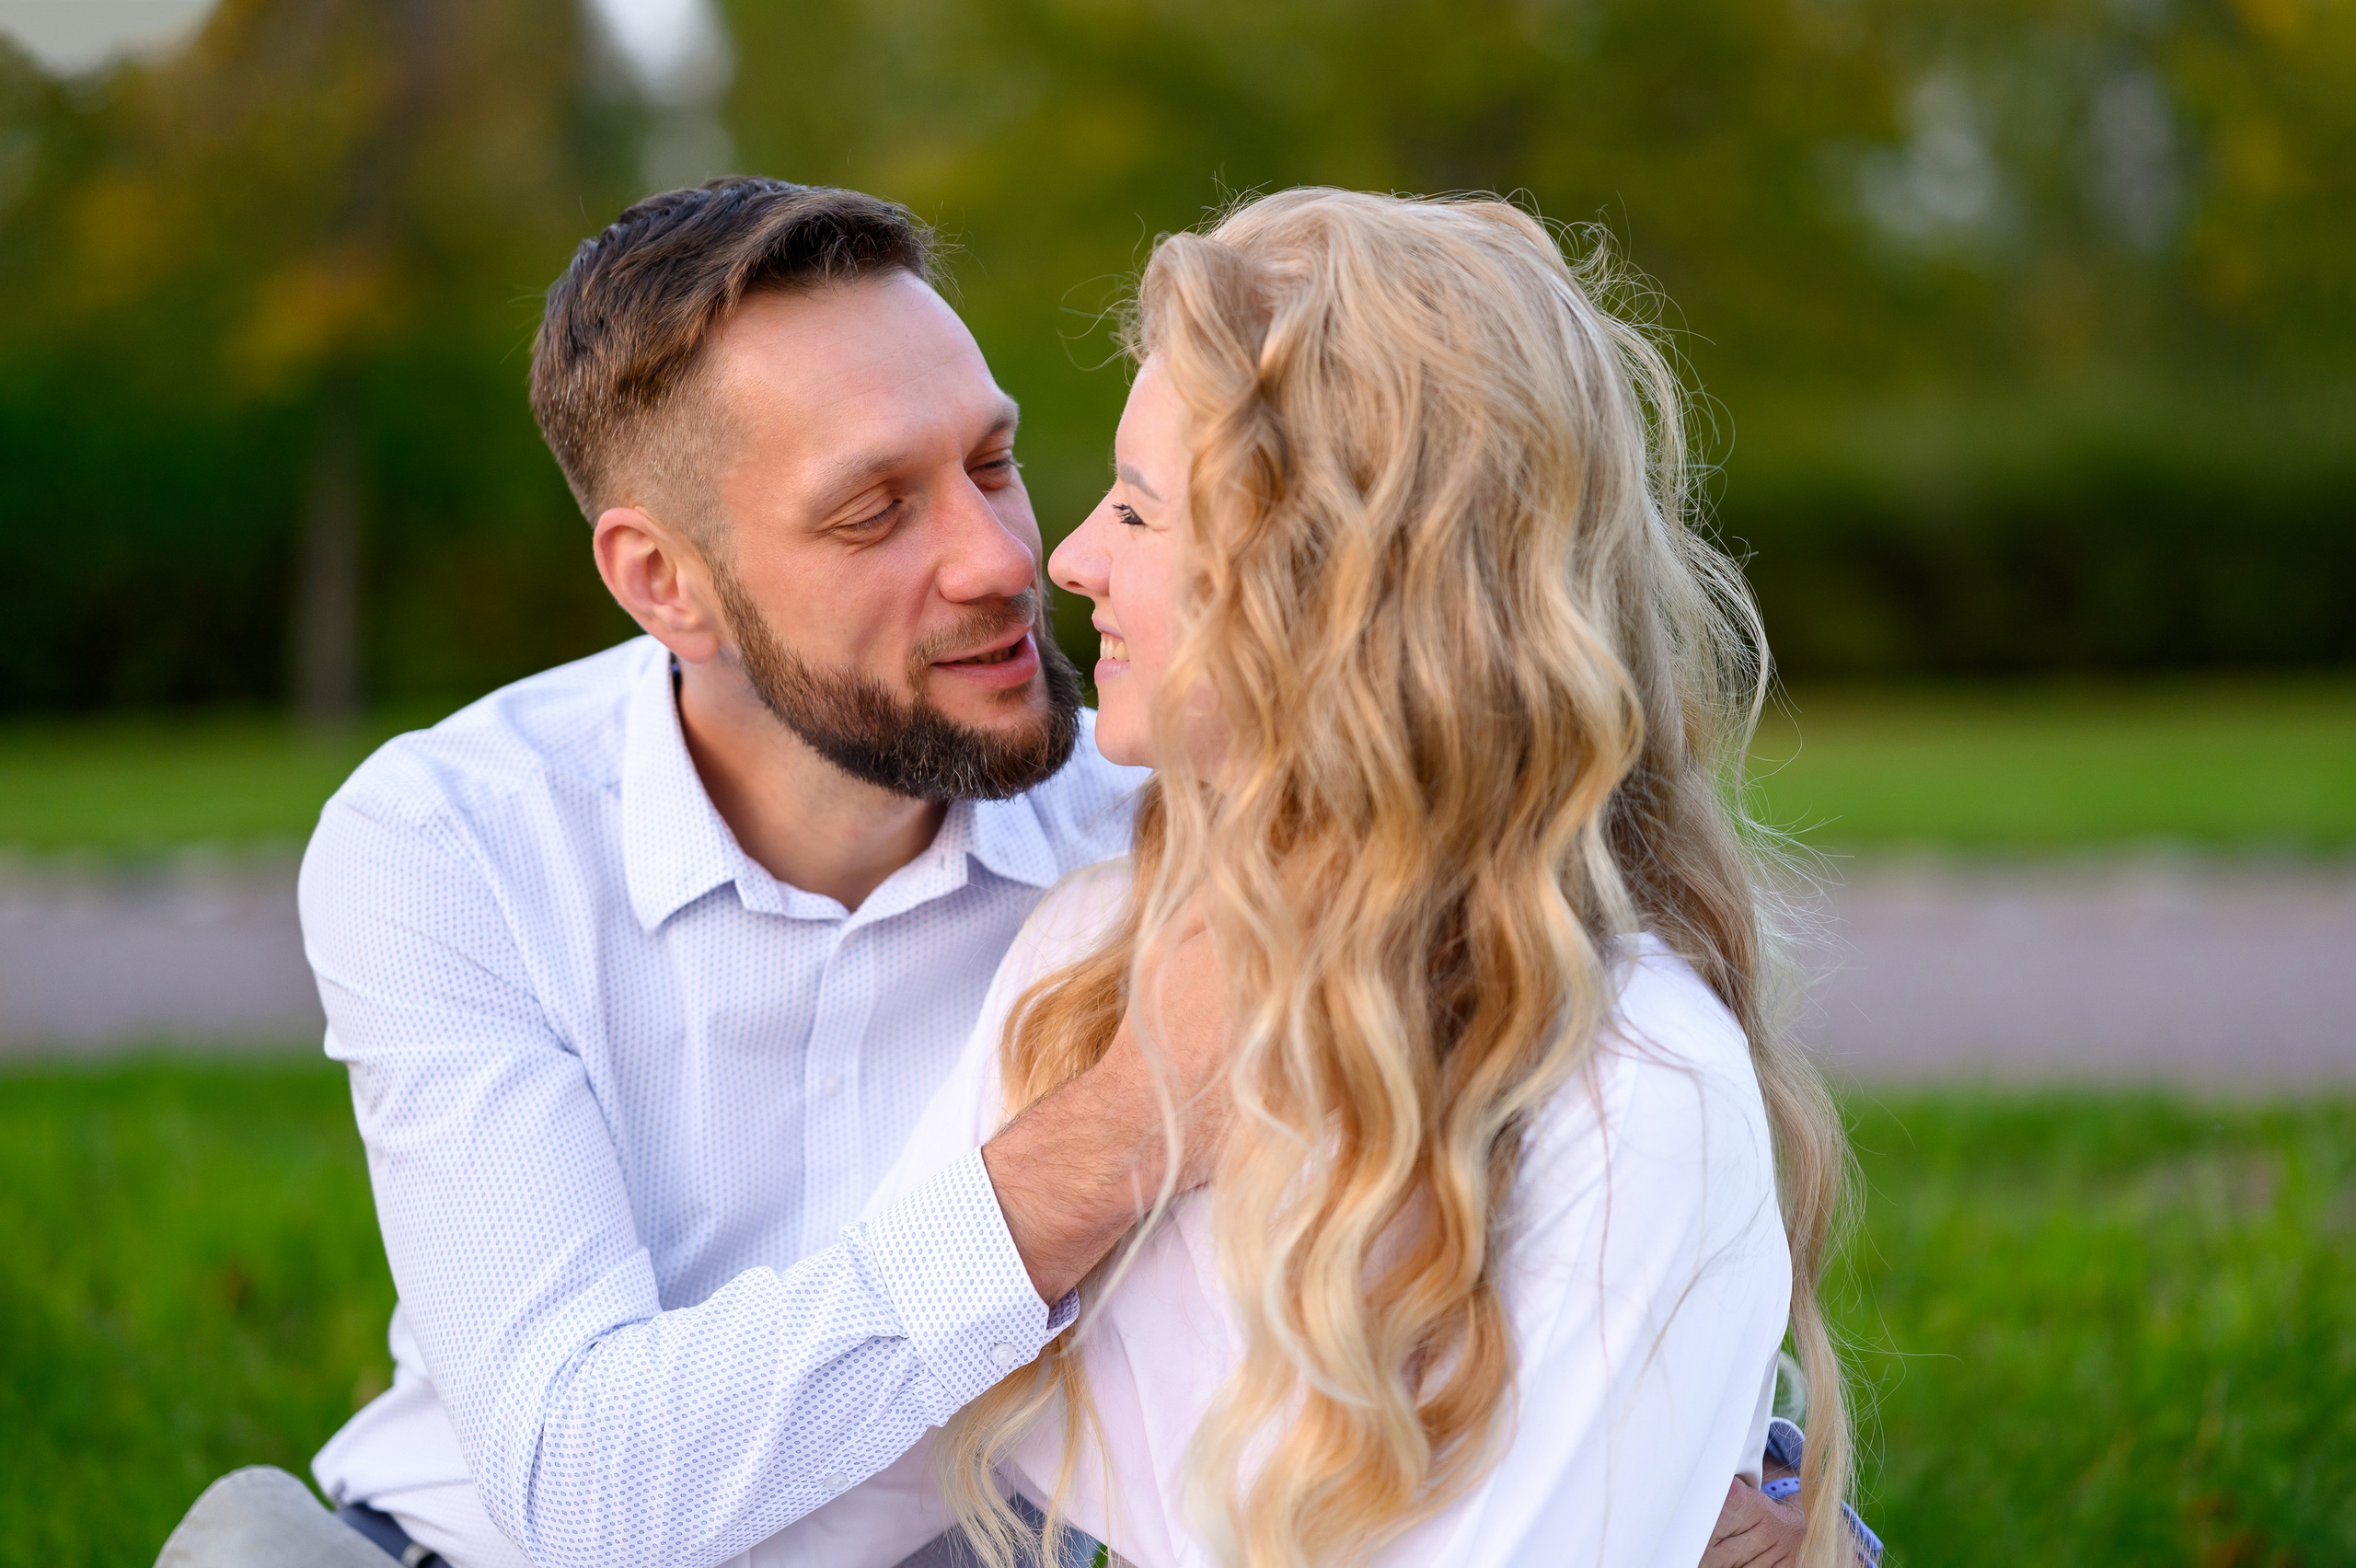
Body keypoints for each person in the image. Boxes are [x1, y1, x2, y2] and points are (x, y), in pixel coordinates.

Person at [151, 179, 1831, 1568]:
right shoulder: (455, 838)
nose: (1007, 559)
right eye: (873, 512)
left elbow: (1533, 1184)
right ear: (667, 583)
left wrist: (1749, 1491)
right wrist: (1123, 1121)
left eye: (993, 461)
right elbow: (580, 1486)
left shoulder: (1162, 822)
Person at [777, 188, 1872, 1568]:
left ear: (1335, 587)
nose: (1069, 559)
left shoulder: (1624, 1082)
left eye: (1139, 512)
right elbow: (827, 1480)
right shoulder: (1091, 957)